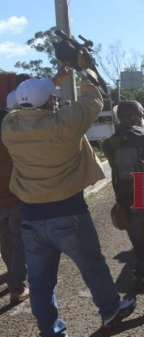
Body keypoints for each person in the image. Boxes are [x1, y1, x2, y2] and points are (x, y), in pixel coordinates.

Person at [1, 53, 136, 336]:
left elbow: (18, 103)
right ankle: (111, 310)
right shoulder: (64, 124)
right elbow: (93, 98)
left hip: (31, 219)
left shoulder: (10, 127)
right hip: (68, 214)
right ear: (50, 102)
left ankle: (51, 331)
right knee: (93, 267)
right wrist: (83, 71)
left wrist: (52, 82)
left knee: (40, 284)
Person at [102, 100, 144, 305]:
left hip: (127, 200)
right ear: (135, 116)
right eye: (141, 114)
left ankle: (140, 276)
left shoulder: (109, 143)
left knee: (141, 245)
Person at [0, 78, 29, 304]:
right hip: (15, 194)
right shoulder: (15, 129)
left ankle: (14, 281)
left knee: (6, 242)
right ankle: (17, 287)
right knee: (19, 241)